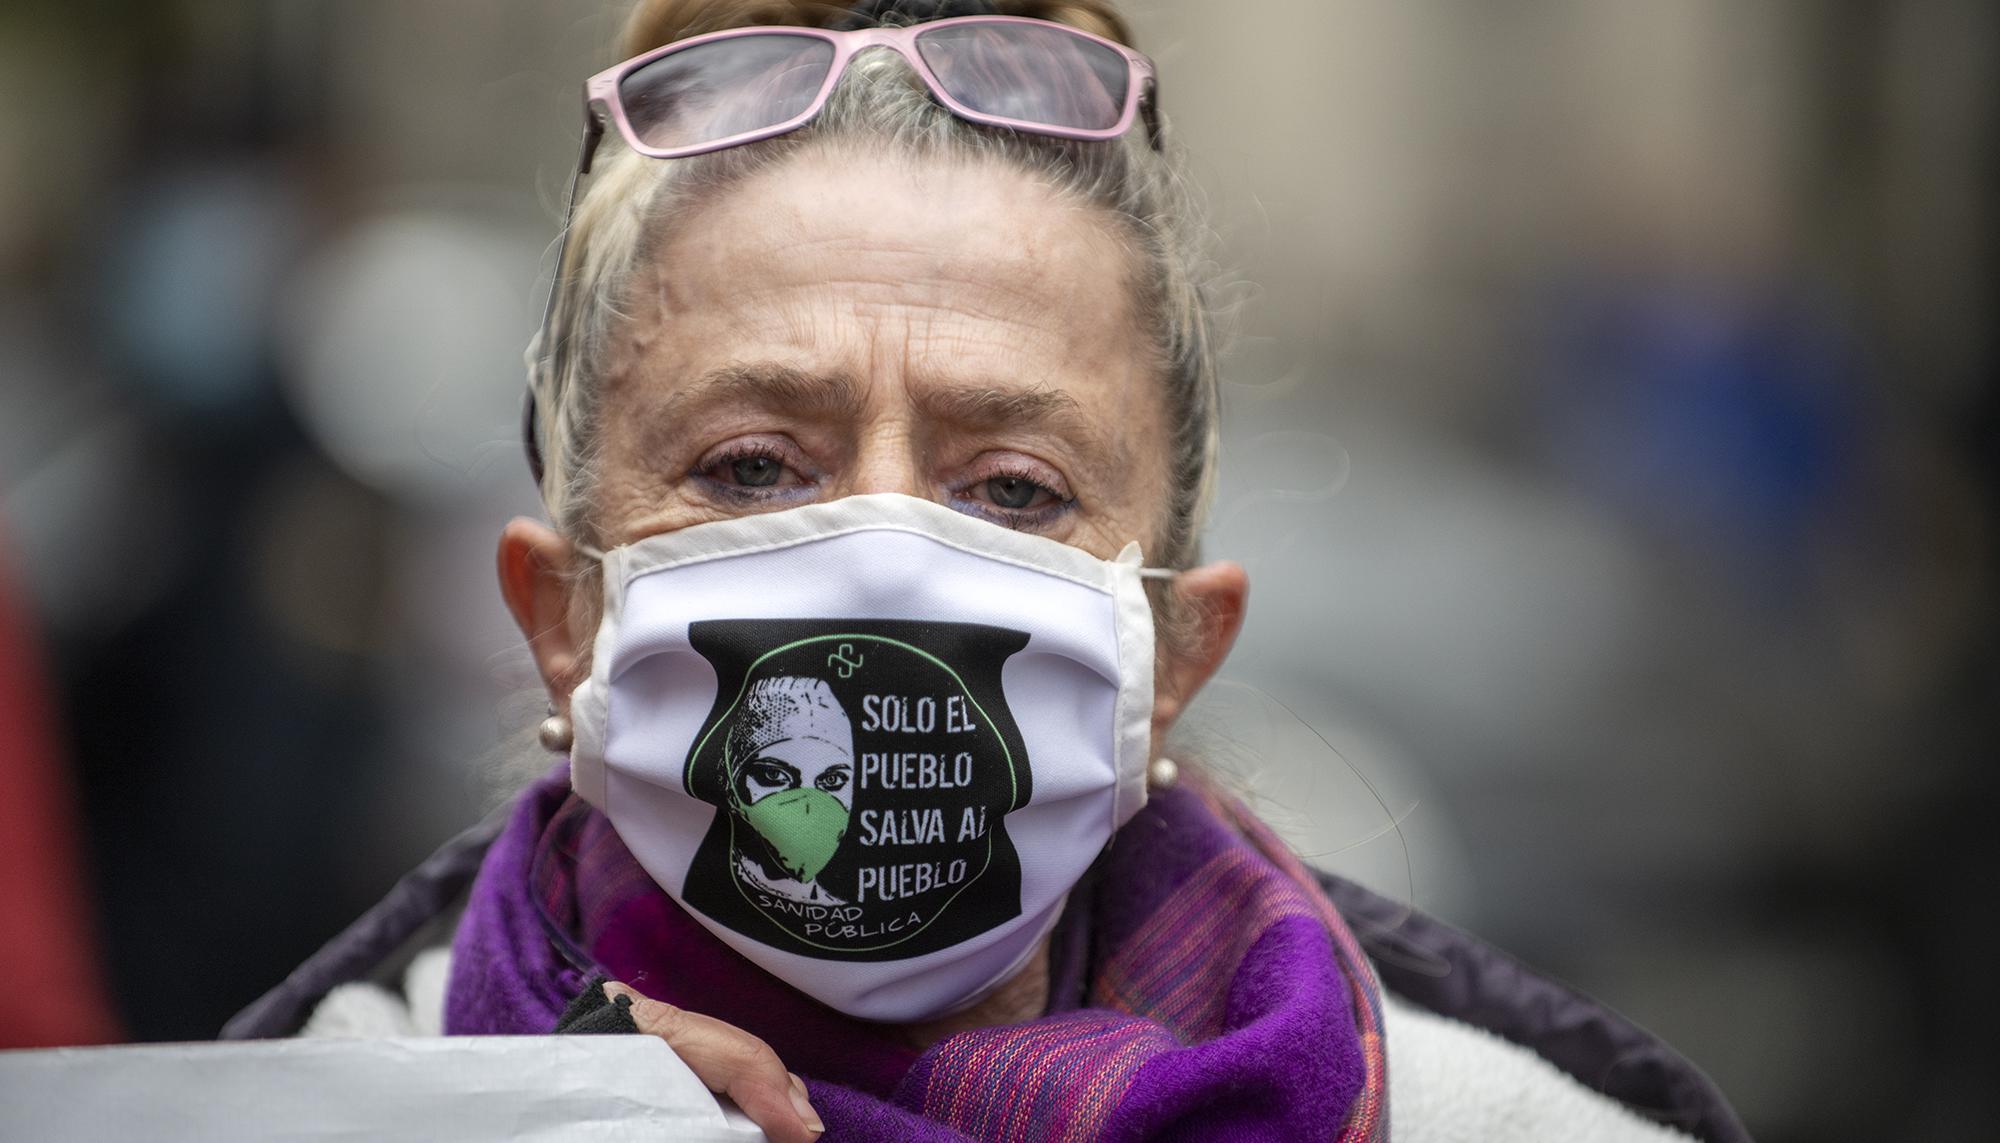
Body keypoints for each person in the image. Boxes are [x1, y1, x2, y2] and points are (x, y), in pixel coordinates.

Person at [228, 2, 1751, 1140]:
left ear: (1177, 658)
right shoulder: (331, 1114)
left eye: (1013, 489)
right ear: (563, 619)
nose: (884, 557)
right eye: (753, 466)